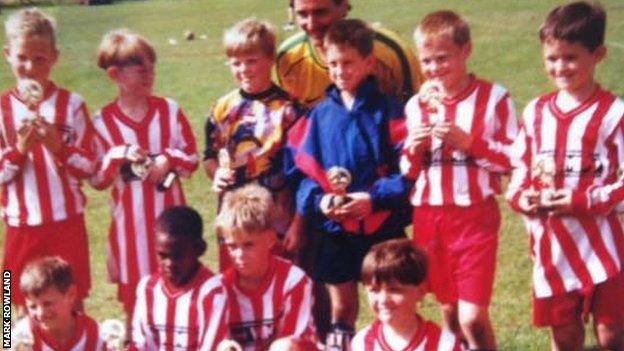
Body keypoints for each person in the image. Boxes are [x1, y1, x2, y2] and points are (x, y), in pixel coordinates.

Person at [506, 2, 624, 350]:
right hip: (553, 245)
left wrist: (581, 200)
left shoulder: (614, 113)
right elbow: (521, 168)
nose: (560, 67)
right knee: (565, 333)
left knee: (612, 333)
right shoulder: (537, 111)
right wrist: (521, 197)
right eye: (552, 58)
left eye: (570, 57)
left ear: (598, 54)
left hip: (607, 245)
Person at [401, 10, 519, 350]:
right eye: (427, 61)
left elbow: (514, 161)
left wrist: (470, 143)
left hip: (473, 217)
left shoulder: (494, 98)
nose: (435, 68)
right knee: (450, 313)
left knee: (472, 318)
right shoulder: (416, 105)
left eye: (443, 58)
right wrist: (414, 148)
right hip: (428, 216)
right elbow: (408, 171)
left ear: (466, 51)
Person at [294, 19, 411, 346]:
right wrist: (322, 201)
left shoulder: (388, 110)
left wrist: (373, 199)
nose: (340, 70)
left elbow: (410, 175)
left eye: (348, 62)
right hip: (337, 231)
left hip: (382, 226)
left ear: (369, 62)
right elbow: (304, 177)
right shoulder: (318, 116)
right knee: (341, 309)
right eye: (333, 63)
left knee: (389, 306)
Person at [90, 29, 199, 319]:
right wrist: (116, 156)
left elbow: (192, 160)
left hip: (172, 226)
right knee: (136, 305)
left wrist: (168, 159)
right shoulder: (102, 123)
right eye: (141, 70)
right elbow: (97, 179)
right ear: (115, 75)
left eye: (152, 68)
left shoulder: (169, 111)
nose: (150, 75)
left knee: (179, 296)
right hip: (130, 232)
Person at [0, 8, 95, 309]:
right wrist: (18, 150)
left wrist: (60, 148)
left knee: (72, 298)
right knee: (10, 296)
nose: (30, 67)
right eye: (22, 58)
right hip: (23, 223)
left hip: (65, 221)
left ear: (55, 57)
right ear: (7, 55)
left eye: (39, 58)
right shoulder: (2, 110)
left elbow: (90, 166)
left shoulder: (72, 105)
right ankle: (8, 341)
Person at [204, 18, 304, 271]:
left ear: (270, 59)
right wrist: (216, 174)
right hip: (233, 216)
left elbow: (303, 174)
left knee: (277, 284)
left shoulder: (289, 110)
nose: (244, 69)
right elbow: (210, 156)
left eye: (251, 61)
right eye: (236, 63)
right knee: (236, 285)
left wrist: (297, 224)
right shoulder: (221, 108)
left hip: (276, 217)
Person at [215, 184, 315, 350]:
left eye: (248, 245)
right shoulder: (220, 288)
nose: (239, 255)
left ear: (270, 239)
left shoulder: (294, 282)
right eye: (232, 246)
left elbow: (293, 344)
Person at [276, 0, 423, 107]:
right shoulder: (287, 59)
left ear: (344, 6)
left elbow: (420, 107)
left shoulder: (390, 51)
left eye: (320, 12)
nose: (311, 24)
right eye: (302, 14)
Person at [130, 206, 228, 350]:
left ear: (200, 249)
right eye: (162, 255)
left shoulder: (212, 293)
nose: (169, 264)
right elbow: (140, 344)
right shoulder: (147, 288)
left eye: (178, 255)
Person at [352, 238, 464, 350]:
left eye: (394, 290)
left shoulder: (444, 345)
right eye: (374, 290)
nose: (383, 300)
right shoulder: (361, 344)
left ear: (421, 291)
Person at [12, 257, 105, 350]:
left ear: (71, 295)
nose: (41, 313)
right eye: (33, 306)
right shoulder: (21, 337)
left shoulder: (97, 335)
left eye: (48, 304)